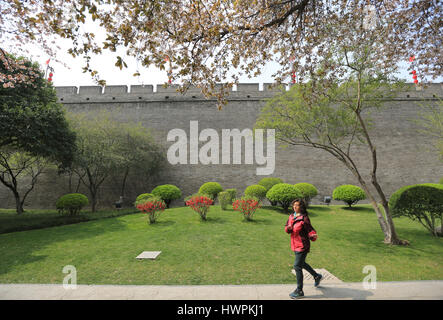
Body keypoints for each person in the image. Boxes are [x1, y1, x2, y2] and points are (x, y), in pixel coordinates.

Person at [285, 199, 322, 299]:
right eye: (294, 205)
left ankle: (299, 290)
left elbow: (310, 230)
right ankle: (316, 276)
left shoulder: (304, 218)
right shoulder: (291, 216)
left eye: (297, 205)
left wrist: (312, 235)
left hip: (302, 245)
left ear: (301, 207)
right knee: (302, 263)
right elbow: (287, 227)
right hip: (294, 244)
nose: (295, 207)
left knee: (297, 266)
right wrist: (288, 228)